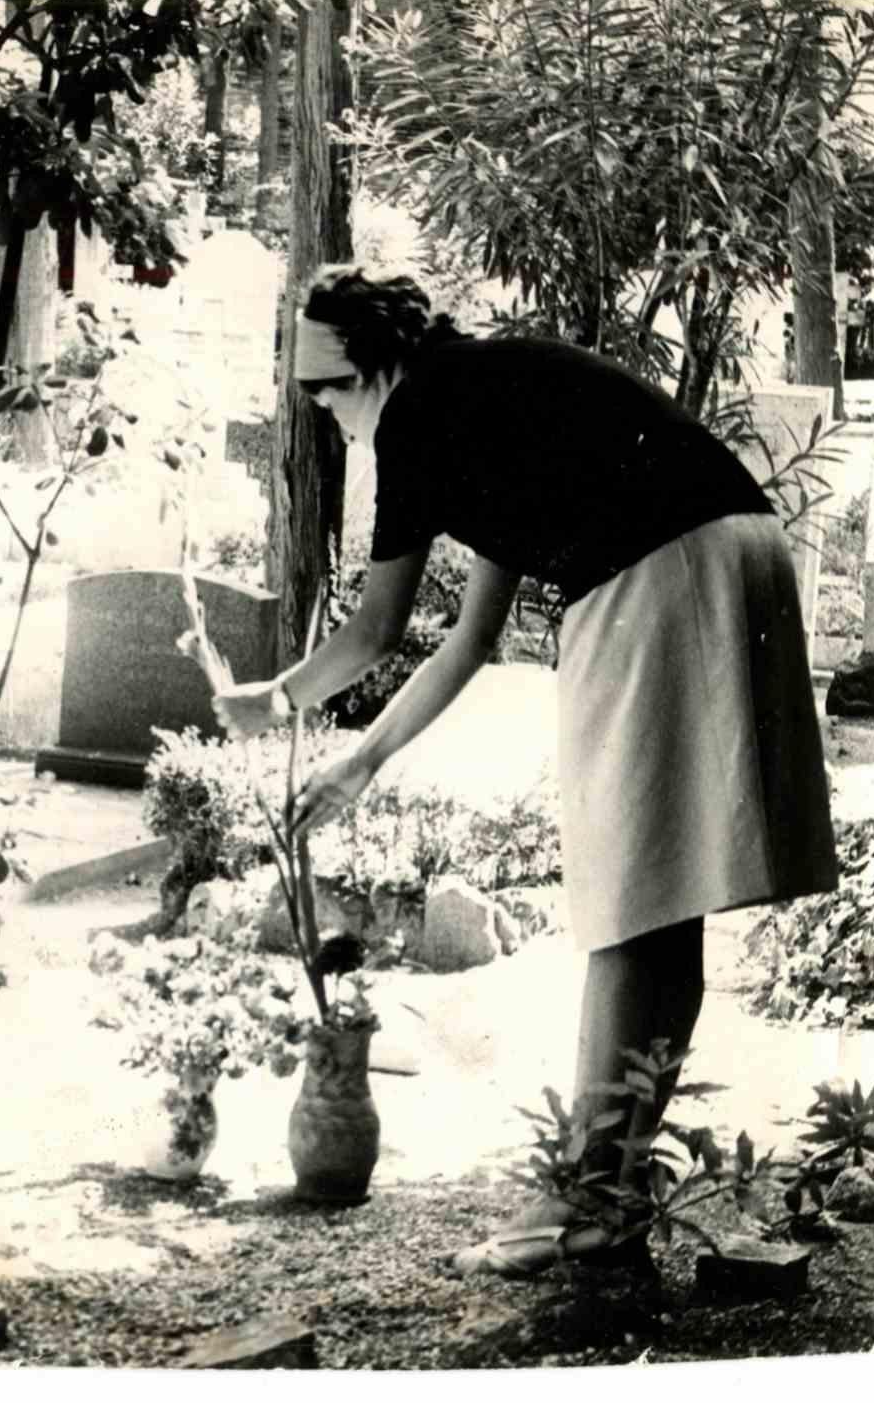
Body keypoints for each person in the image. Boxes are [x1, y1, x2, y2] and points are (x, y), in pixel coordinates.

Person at [214, 265, 839, 1276]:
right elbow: (466, 640)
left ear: (370, 367)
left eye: (322, 391)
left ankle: (594, 1209)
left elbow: (374, 630)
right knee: (660, 907)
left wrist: (274, 698)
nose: (322, 413)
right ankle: (604, 1195)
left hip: (657, 570)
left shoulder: (418, 415)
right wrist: (361, 760)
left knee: (631, 906)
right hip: (735, 547)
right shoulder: (477, 401)